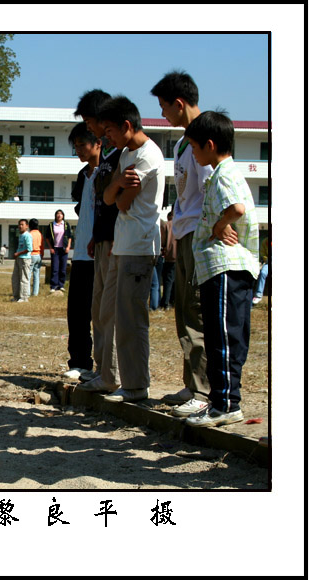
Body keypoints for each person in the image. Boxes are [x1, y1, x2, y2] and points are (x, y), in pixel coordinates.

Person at [184, 110, 260, 427]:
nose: (192, 153)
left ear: (211, 145)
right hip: (224, 269)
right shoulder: (222, 172)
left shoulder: (224, 174)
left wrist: (219, 225)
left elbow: (237, 208)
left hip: (227, 267)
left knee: (224, 337)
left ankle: (227, 403)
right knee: (223, 335)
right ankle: (220, 400)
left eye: (194, 147)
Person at [150, 71, 214, 415]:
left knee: (198, 312)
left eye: (164, 108)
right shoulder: (180, 143)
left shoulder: (206, 137)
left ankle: (204, 391)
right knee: (184, 310)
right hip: (184, 230)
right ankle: (192, 383)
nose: (163, 115)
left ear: (179, 103)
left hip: (200, 236)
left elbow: (210, 192)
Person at [98, 95, 165, 404]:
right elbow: (110, 197)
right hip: (124, 244)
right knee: (118, 314)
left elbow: (122, 201)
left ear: (126, 125)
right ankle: (128, 383)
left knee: (132, 319)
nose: (106, 137)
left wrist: (119, 189)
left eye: (109, 130)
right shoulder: (125, 154)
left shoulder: (148, 156)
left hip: (140, 244)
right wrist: (118, 186)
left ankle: (136, 386)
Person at [76, 89, 123, 392]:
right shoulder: (104, 159)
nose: (89, 129)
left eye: (91, 124)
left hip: (121, 243)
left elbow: (117, 198)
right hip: (101, 240)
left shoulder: (121, 154)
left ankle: (113, 374)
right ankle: (100, 369)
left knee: (111, 313)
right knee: (97, 312)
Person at [63, 123, 101, 380]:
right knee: (76, 311)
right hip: (80, 253)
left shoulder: (108, 172)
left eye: (82, 144)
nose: (78, 150)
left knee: (98, 312)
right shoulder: (82, 174)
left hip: (101, 253)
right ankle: (79, 362)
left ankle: (104, 367)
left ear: (98, 142)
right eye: (75, 146)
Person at [48, 210, 72, 292]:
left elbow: (69, 237)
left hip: (64, 249)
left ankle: (61, 285)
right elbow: (47, 238)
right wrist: (50, 247)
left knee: (63, 268)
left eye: (61, 214)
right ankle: (53, 285)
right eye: (57, 214)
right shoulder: (51, 225)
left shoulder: (66, 225)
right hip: (55, 249)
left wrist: (68, 246)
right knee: (55, 268)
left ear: (63, 216)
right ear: (55, 215)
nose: (59, 215)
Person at [11, 219, 32, 302]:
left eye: (22, 224)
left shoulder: (28, 235)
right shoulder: (20, 235)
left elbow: (29, 248)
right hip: (19, 258)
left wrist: (18, 253)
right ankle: (16, 296)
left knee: (24, 278)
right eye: (19, 224)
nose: (20, 226)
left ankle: (24, 297)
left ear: (27, 226)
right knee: (15, 278)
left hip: (25, 259)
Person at [159, 210, 177, 309]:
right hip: (179, 256)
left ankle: (165, 302)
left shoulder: (167, 225)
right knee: (176, 281)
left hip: (169, 256)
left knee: (168, 281)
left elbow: (163, 240)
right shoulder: (181, 224)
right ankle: (173, 300)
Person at [252, 235, 269, 305]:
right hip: (269, 262)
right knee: (263, 273)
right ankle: (258, 295)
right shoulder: (265, 241)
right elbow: (263, 254)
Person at [28, 219, 44, 296]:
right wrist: (42, 254)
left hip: (31, 254)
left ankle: (27, 292)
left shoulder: (29, 234)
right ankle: (35, 292)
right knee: (36, 274)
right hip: (39, 254)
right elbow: (42, 245)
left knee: (28, 274)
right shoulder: (40, 234)